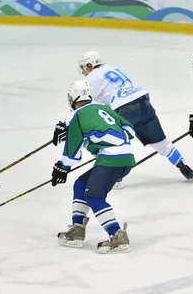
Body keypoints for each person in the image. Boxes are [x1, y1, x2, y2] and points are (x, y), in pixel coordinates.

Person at [53, 51, 193, 186]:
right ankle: (183, 165)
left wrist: (66, 125)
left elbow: (81, 107)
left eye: (84, 68)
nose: (84, 72)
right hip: (143, 102)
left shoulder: (91, 78)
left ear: (89, 65)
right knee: (162, 143)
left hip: (125, 108)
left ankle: (114, 178)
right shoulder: (112, 69)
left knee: (109, 141)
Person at [52, 80, 135, 254]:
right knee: (81, 185)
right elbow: (130, 129)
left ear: (72, 99)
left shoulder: (75, 116)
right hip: (126, 156)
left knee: (94, 196)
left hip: (110, 158)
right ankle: (77, 229)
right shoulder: (103, 108)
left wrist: (62, 167)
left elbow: (72, 150)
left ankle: (118, 235)